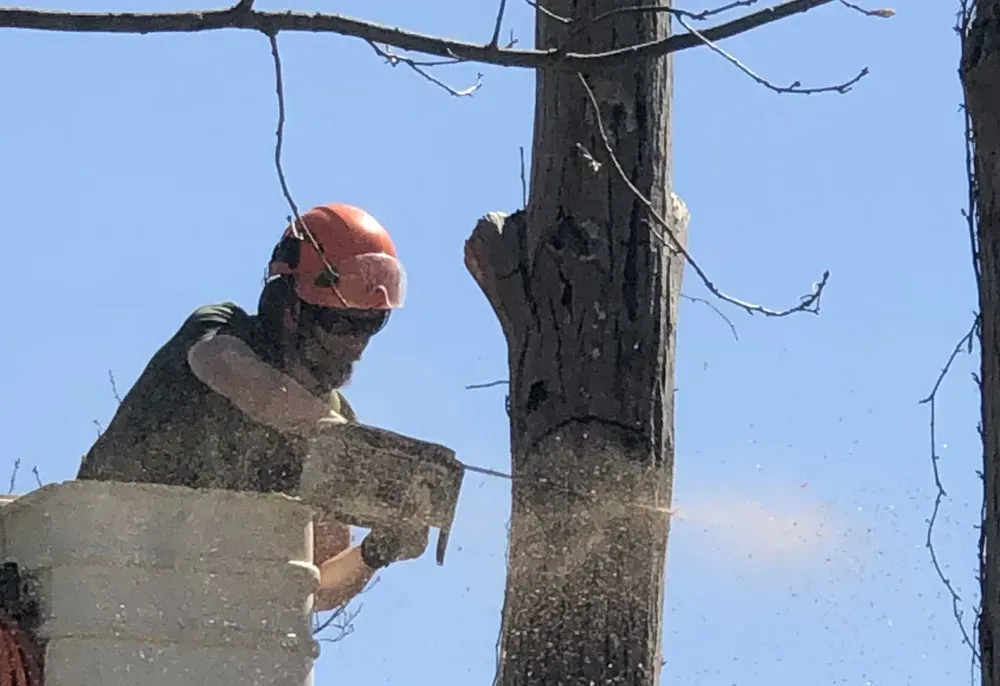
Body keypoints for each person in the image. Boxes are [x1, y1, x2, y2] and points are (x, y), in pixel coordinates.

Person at [77, 202, 429, 612]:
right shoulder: (222, 332)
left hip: (200, 616)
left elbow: (313, 583)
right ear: (291, 307)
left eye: (371, 323)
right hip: (97, 559)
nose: (356, 342)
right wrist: (337, 437)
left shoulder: (335, 421)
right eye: (341, 322)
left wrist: (376, 552)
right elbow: (228, 369)